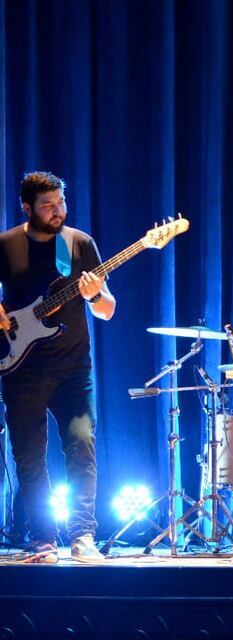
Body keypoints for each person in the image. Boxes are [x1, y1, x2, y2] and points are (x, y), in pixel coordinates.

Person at [0, 171, 116, 563]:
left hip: (73, 369)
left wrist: (95, 293)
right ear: (27, 207)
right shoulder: (6, 244)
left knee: (81, 445)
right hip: (20, 367)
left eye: (61, 204)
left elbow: (107, 310)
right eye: (48, 206)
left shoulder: (80, 243)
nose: (57, 212)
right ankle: (43, 540)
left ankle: (83, 536)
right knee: (29, 455)